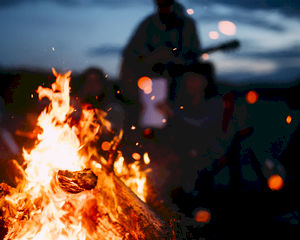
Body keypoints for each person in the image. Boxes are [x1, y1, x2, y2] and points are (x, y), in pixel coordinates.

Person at [119, 0, 201, 129]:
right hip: (149, 80)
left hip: (179, 80)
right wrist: (152, 57)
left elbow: (194, 56)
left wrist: (175, 59)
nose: (164, 8)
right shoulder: (148, 25)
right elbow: (130, 53)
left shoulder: (187, 25)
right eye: (160, 5)